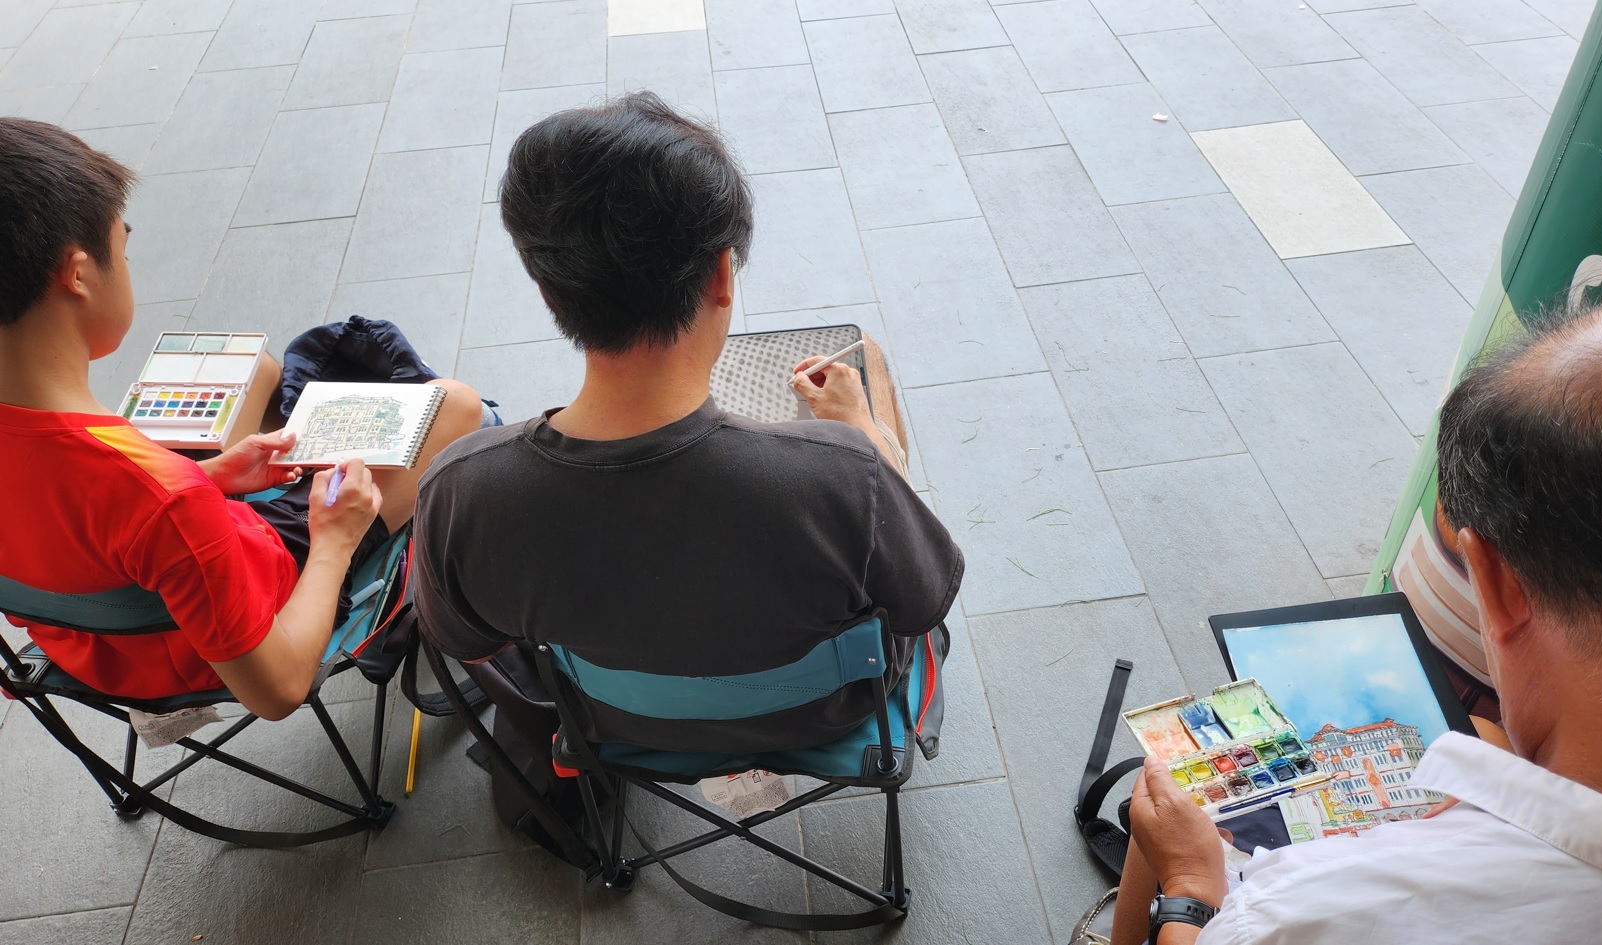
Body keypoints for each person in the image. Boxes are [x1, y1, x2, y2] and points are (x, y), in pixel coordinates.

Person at [1110, 297, 1602, 944]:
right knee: (1483, 736)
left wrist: (1190, 893)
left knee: (1167, 802)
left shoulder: (1297, 913)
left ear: (1495, 584)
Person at [412, 92, 962, 755]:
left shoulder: (460, 493)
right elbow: (921, 601)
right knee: (867, 364)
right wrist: (866, 432)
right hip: (827, 713)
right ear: (721, 273)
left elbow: (470, 640)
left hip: (617, 723)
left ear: (546, 287)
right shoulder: (846, 474)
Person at [0, 118, 484, 720]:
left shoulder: (132, 477)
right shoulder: (162, 497)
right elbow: (277, 690)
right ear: (77, 275)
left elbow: (75, 524)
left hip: (93, 650)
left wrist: (214, 478)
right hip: (249, 631)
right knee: (457, 405)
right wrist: (335, 540)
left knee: (259, 370)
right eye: (122, 250)